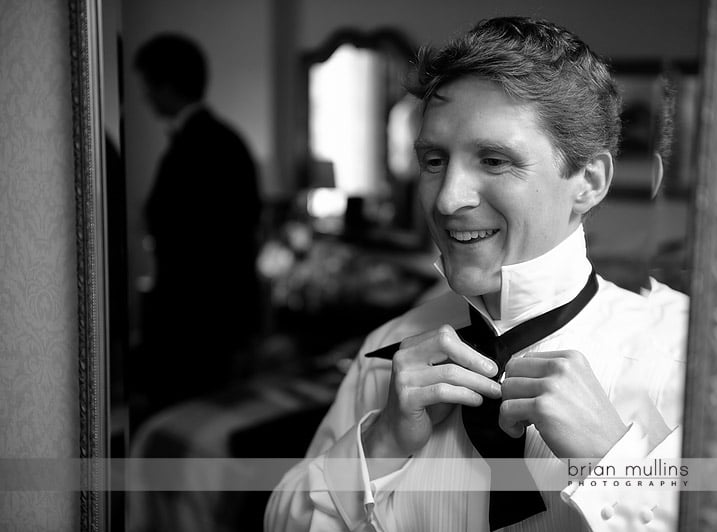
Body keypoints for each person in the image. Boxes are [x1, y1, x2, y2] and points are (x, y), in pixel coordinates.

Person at [265, 17, 687, 532]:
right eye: (434, 160)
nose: (446, 200)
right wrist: (381, 445)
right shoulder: (385, 352)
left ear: (589, 182)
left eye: (493, 160)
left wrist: (616, 465)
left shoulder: (686, 360)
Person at [131, 34, 262, 421]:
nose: (145, 98)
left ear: (167, 86)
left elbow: (182, 232)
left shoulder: (192, 146)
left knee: (183, 416)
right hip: (219, 314)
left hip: (191, 318)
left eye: (148, 87)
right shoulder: (229, 141)